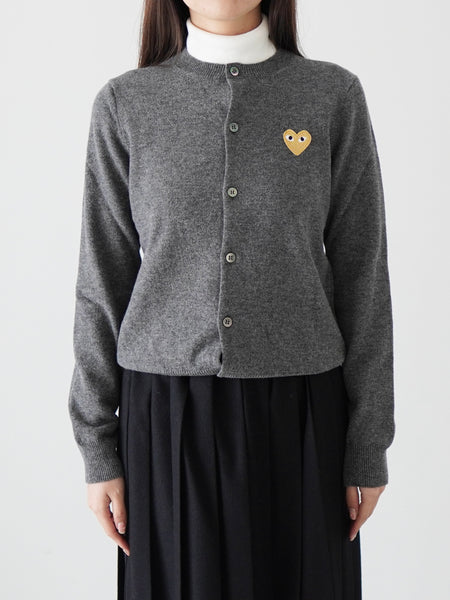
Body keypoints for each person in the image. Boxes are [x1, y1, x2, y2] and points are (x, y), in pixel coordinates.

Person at [68, 1, 396, 598]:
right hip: (165, 420)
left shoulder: (332, 96)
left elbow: (364, 276)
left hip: (304, 416)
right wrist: (98, 447)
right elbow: (102, 282)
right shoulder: (126, 104)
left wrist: (368, 445)